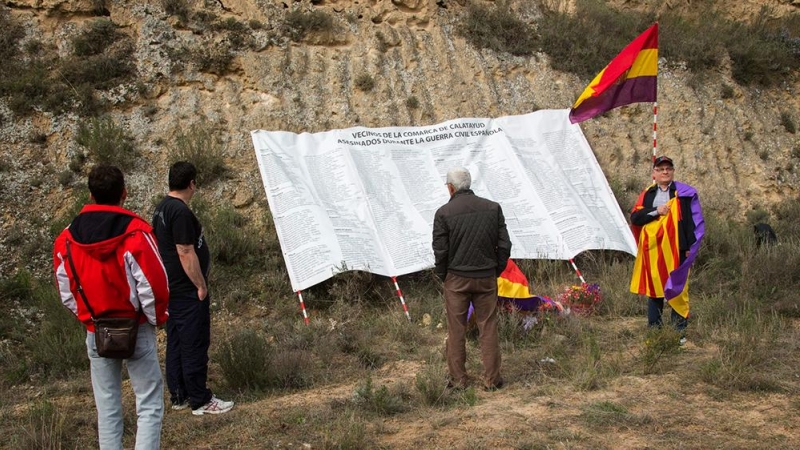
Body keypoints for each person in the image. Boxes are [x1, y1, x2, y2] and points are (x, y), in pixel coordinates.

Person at [53, 164, 170, 449]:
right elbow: (153, 284)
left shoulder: (66, 239)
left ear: (91, 195)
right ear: (124, 193)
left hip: (96, 329)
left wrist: (88, 319)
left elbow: (66, 290)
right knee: (149, 403)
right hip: (136, 327)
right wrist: (156, 319)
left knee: (106, 407)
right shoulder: (136, 234)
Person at [152, 161, 234, 415]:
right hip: (186, 289)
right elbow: (185, 251)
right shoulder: (180, 212)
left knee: (176, 341)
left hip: (171, 288)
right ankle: (200, 399)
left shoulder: (162, 209)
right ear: (192, 184)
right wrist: (200, 285)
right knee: (194, 343)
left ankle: (179, 395)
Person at [432, 167, 511, 390]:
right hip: (486, 275)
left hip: (456, 278)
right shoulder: (492, 208)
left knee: (456, 329)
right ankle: (492, 380)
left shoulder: (443, 213)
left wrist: (444, 276)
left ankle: (459, 380)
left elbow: (440, 250)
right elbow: (505, 244)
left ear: (451, 188)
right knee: (488, 326)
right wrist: (496, 269)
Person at [630, 156, 705, 343]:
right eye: (661, 169)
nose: (665, 172)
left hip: (677, 249)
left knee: (678, 289)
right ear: (654, 173)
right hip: (654, 251)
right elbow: (636, 218)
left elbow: (690, 221)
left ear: (673, 172)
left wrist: (689, 247)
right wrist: (656, 211)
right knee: (655, 291)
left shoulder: (683, 193)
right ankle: (655, 331)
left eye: (668, 169)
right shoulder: (647, 194)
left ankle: (678, 333)